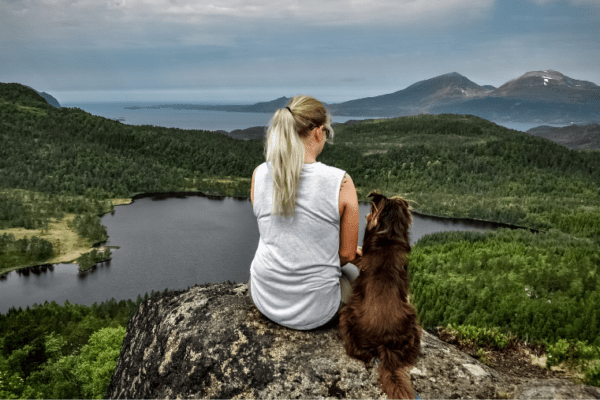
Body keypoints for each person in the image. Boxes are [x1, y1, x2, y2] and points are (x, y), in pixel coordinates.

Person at [249, 94, 362, 330]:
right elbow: (347, 256)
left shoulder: (259, 173)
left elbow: (274, 230)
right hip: (317, 312)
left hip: (263, 296)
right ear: (319, 132)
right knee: (357, 278)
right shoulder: (341, 182)